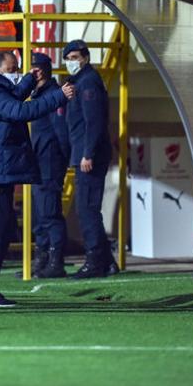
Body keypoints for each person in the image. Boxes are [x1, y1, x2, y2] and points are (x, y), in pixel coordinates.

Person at [0, 51, 74, 307]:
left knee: (2, 227)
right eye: (13, 69)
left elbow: (11, 98)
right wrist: (58, 96)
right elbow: (19, 111)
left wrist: (28, 82)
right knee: (1, 230)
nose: (16, 72)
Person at [62, 39, 119, 279]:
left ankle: (95, 261)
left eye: (75, 57)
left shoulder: (88, 83)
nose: (71, 62)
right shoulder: (79, 82)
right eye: (69, 58)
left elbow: (93, 122)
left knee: (87, 209)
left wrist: (87, 153)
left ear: (85, 57)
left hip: (88, 155)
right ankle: (106, 261)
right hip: (83, 152)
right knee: (87, 207)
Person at [29, 53, 71, 279]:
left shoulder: (55, 95)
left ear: (40, 71)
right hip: (39, 161)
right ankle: (41, 260)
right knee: (39, 214)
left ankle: (55, 262)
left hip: (50, 161)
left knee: (49, 212)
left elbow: (60, 132)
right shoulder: (39, 94)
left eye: (33, 69)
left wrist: (61, 161)